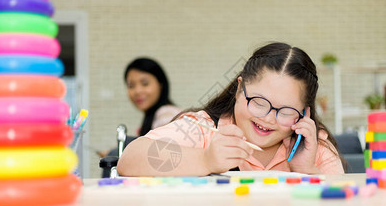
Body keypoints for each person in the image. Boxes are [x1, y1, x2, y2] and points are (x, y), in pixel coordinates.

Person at [117, 42, 346, 177]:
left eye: (286, 111)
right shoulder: (205, 129)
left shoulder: (314, 145)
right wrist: (206, 159)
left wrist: (308, 171)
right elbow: (129, 160)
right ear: (239, 89)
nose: (267, 118)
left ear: (304, 113)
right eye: (258, 101)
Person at [100, 57, 181, 166]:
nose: (137, 91)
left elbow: (164, 156)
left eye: (145, 83)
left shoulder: (167, 115)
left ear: (160, 84)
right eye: (131, 86)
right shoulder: (152, 118)